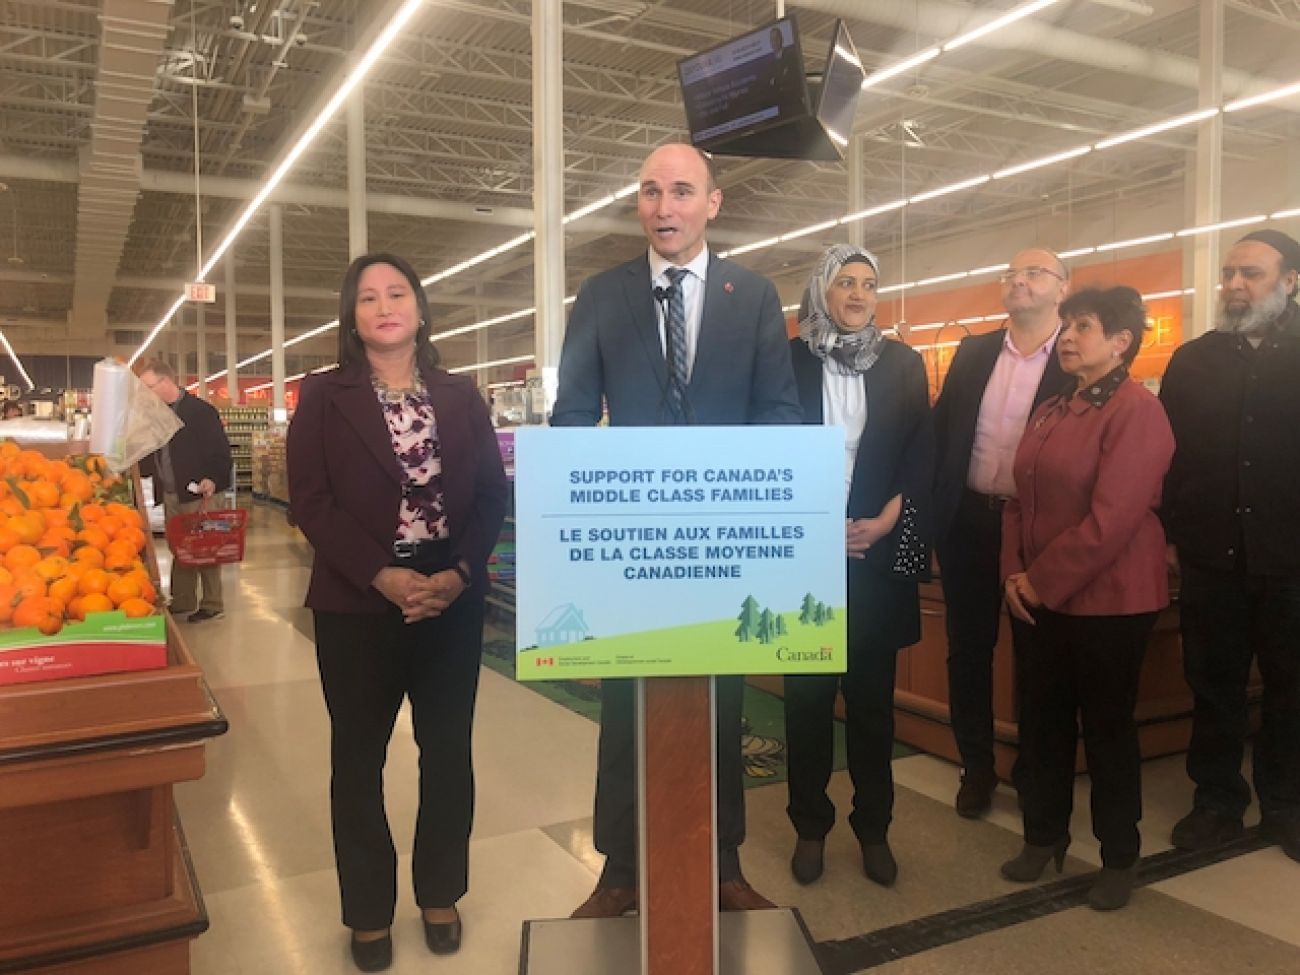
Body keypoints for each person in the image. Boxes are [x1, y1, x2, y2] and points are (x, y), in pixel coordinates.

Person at [551, 142, 802, 917]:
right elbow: (570, 414)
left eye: (683, 191)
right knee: (626, 704)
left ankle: (723, 862)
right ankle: (619, 870)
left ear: (713, 203)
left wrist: (740, 490)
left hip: (721, 539)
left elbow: (779, 412)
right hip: (632, 539)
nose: (665, 207)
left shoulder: (752, 295)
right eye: (651, 191)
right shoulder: (603, 295)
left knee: (720, 702)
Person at [286, 252, 508, 972]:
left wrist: (460, 572)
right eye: (368, 297)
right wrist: (379, 574)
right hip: (357, 600)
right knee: (358, 759)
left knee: (447, 751)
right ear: (351, 316)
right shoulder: (324, 396)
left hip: (450, 594)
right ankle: (368, 910)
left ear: (420, 308)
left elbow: (490, 494)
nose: (385, 306)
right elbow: (311, 500)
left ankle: (440, 892)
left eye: (398, 293)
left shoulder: (461, 395)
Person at [999, 286, 1173, 911]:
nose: (1067, 337)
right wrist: (1013, 573)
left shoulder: (1136, 411)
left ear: (1121, 342)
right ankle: (1042, 836)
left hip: (1111, 601)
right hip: (1038, 597)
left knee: (1106, 732)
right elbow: (1018, 498)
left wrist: (1039, 580)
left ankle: (1118, 856)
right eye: (1067, 326)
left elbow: (1113, 519)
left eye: (1083, 327)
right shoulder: (1053, 408)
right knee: (1041, 724)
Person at [783, 244, 932, 889]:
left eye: (869, 284)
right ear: (822, 290)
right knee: (807, 701)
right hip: (804, 558)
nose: (858, 294)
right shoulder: (788, 360)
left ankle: (874, 828)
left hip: (873, 554)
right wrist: (815, 528)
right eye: (845, 282)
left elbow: (921, 451)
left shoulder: (901, 363)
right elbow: (766, 450)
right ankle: (810, 827)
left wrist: (890, 516)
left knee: (872, 704)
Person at [1160, 229, 1300, 864]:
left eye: (1252, 274)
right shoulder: (1193, 362)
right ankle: (1216, 801)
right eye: (1229, 274)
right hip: (1211, 556)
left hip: (1291, 558)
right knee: (1213, 685)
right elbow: (1169, 459)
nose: (1235, 285)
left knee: (1291, 687)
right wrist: (1169, 534)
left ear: (1290, 282)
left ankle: (1286, 804)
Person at [931, 248, 1069, 818]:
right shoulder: (975, 352)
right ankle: (977, 766)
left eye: (1034, 273)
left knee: (1039, 656)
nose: (1019, 281)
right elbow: (942, 432)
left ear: (1063, 287)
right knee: (968, 650)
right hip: (967, 523)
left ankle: (1036, 770)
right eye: (1011, 274)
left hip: (1038, 529)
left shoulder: (1074, 356)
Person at [138, 358, 233, 623]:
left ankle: (212, 603)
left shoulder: (200, 412)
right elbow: (151, 454)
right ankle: (183, 599)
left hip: (200, 494)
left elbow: (220, 451)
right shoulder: (157, 414)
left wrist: (213, 478)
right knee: (179, 547)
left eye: (149, 387)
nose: (146, 394)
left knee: (205, 547)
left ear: (166, 381)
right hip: (172, 493)